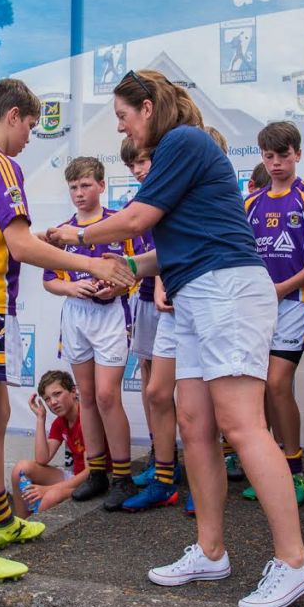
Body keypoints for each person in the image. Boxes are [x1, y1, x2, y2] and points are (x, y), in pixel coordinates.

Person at [48, 69, 304, 607]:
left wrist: (71, 237)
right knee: (194, 424)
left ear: (147, 108)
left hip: (228, 291)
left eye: (124, 117)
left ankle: (294, 562)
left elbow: (135, 219)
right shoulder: (178, 153)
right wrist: (124, 265)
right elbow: (163, 249)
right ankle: (210, 549)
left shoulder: (183, 141)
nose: (124, 129)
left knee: (243, 424)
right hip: (196, 292)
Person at [0, 77, 132, 582]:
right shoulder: (1, 163)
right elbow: (21, 248)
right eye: (30, 127)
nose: (29, 139)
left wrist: (46, 240)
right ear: (15, 115)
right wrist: (94, 267)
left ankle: (0, 520)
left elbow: (7, 239)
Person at [242, 122, 304, 507]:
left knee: (278, 383)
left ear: (297, 154)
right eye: (269, 156)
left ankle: (294, 471)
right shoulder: (251, 203)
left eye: (283, 155)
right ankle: (270, 466)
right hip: (256, 306)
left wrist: (283, 287)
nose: (276, 163)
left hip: (296, 301)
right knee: (258, 386)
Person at [43, 157, 138, 510]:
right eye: (73, 187)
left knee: (106, 395)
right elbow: (50, 279)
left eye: (85, 185)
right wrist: (70, 289)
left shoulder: (118, 222)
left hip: (112, 314)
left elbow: (139, 268)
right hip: (76, 316)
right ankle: (96, 472)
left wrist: (116, 288)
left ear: (100, 185)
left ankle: (123, 476)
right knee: (85, 395)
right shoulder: (61, 231)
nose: (79, 193)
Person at [121, 142, 182, 513]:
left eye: (143, 161)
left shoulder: (174, 194)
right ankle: (163, 465)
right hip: (148, 297)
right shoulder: (137, 200)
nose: (139, 170)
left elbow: (169, 251)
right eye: (132, 165)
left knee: (185, 393)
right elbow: (137, 255)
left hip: (179, 298)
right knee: (152, 386)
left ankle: (178, 472)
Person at [9, 370, 89, 513]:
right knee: (20, 469)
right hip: (75, 477)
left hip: (94, 482)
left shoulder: (87, 418)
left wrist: (47, 489)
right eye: (47, 399)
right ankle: (22, 526)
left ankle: (36, 533)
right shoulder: (60, 422)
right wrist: (40, 418)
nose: (53, 402)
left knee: (50, 496)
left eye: (57, 394)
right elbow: (42, 459)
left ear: (73, 391)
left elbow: (90, 472)